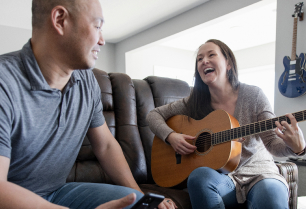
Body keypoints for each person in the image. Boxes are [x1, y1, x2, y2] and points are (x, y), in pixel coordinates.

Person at [0, 0, 177, 209]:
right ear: (60, 20)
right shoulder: (5, 81)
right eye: (97, 26)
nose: (102, 40)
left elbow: (106, 145)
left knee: (133, 203)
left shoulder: (86, 81)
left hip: (57, 192)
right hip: (12, 199)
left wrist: (141, 199)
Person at [147, 39, 306, 209]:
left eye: (211, 55)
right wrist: (171, 136)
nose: (204, 61)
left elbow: (273, 144)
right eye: (199, 59)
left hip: (260, 173)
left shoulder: (254, 95)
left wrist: (297, 147)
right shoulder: (194, 102)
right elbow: (153, 115)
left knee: (270, 193)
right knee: (198, 177)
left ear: (228, 64)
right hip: (223, 177)